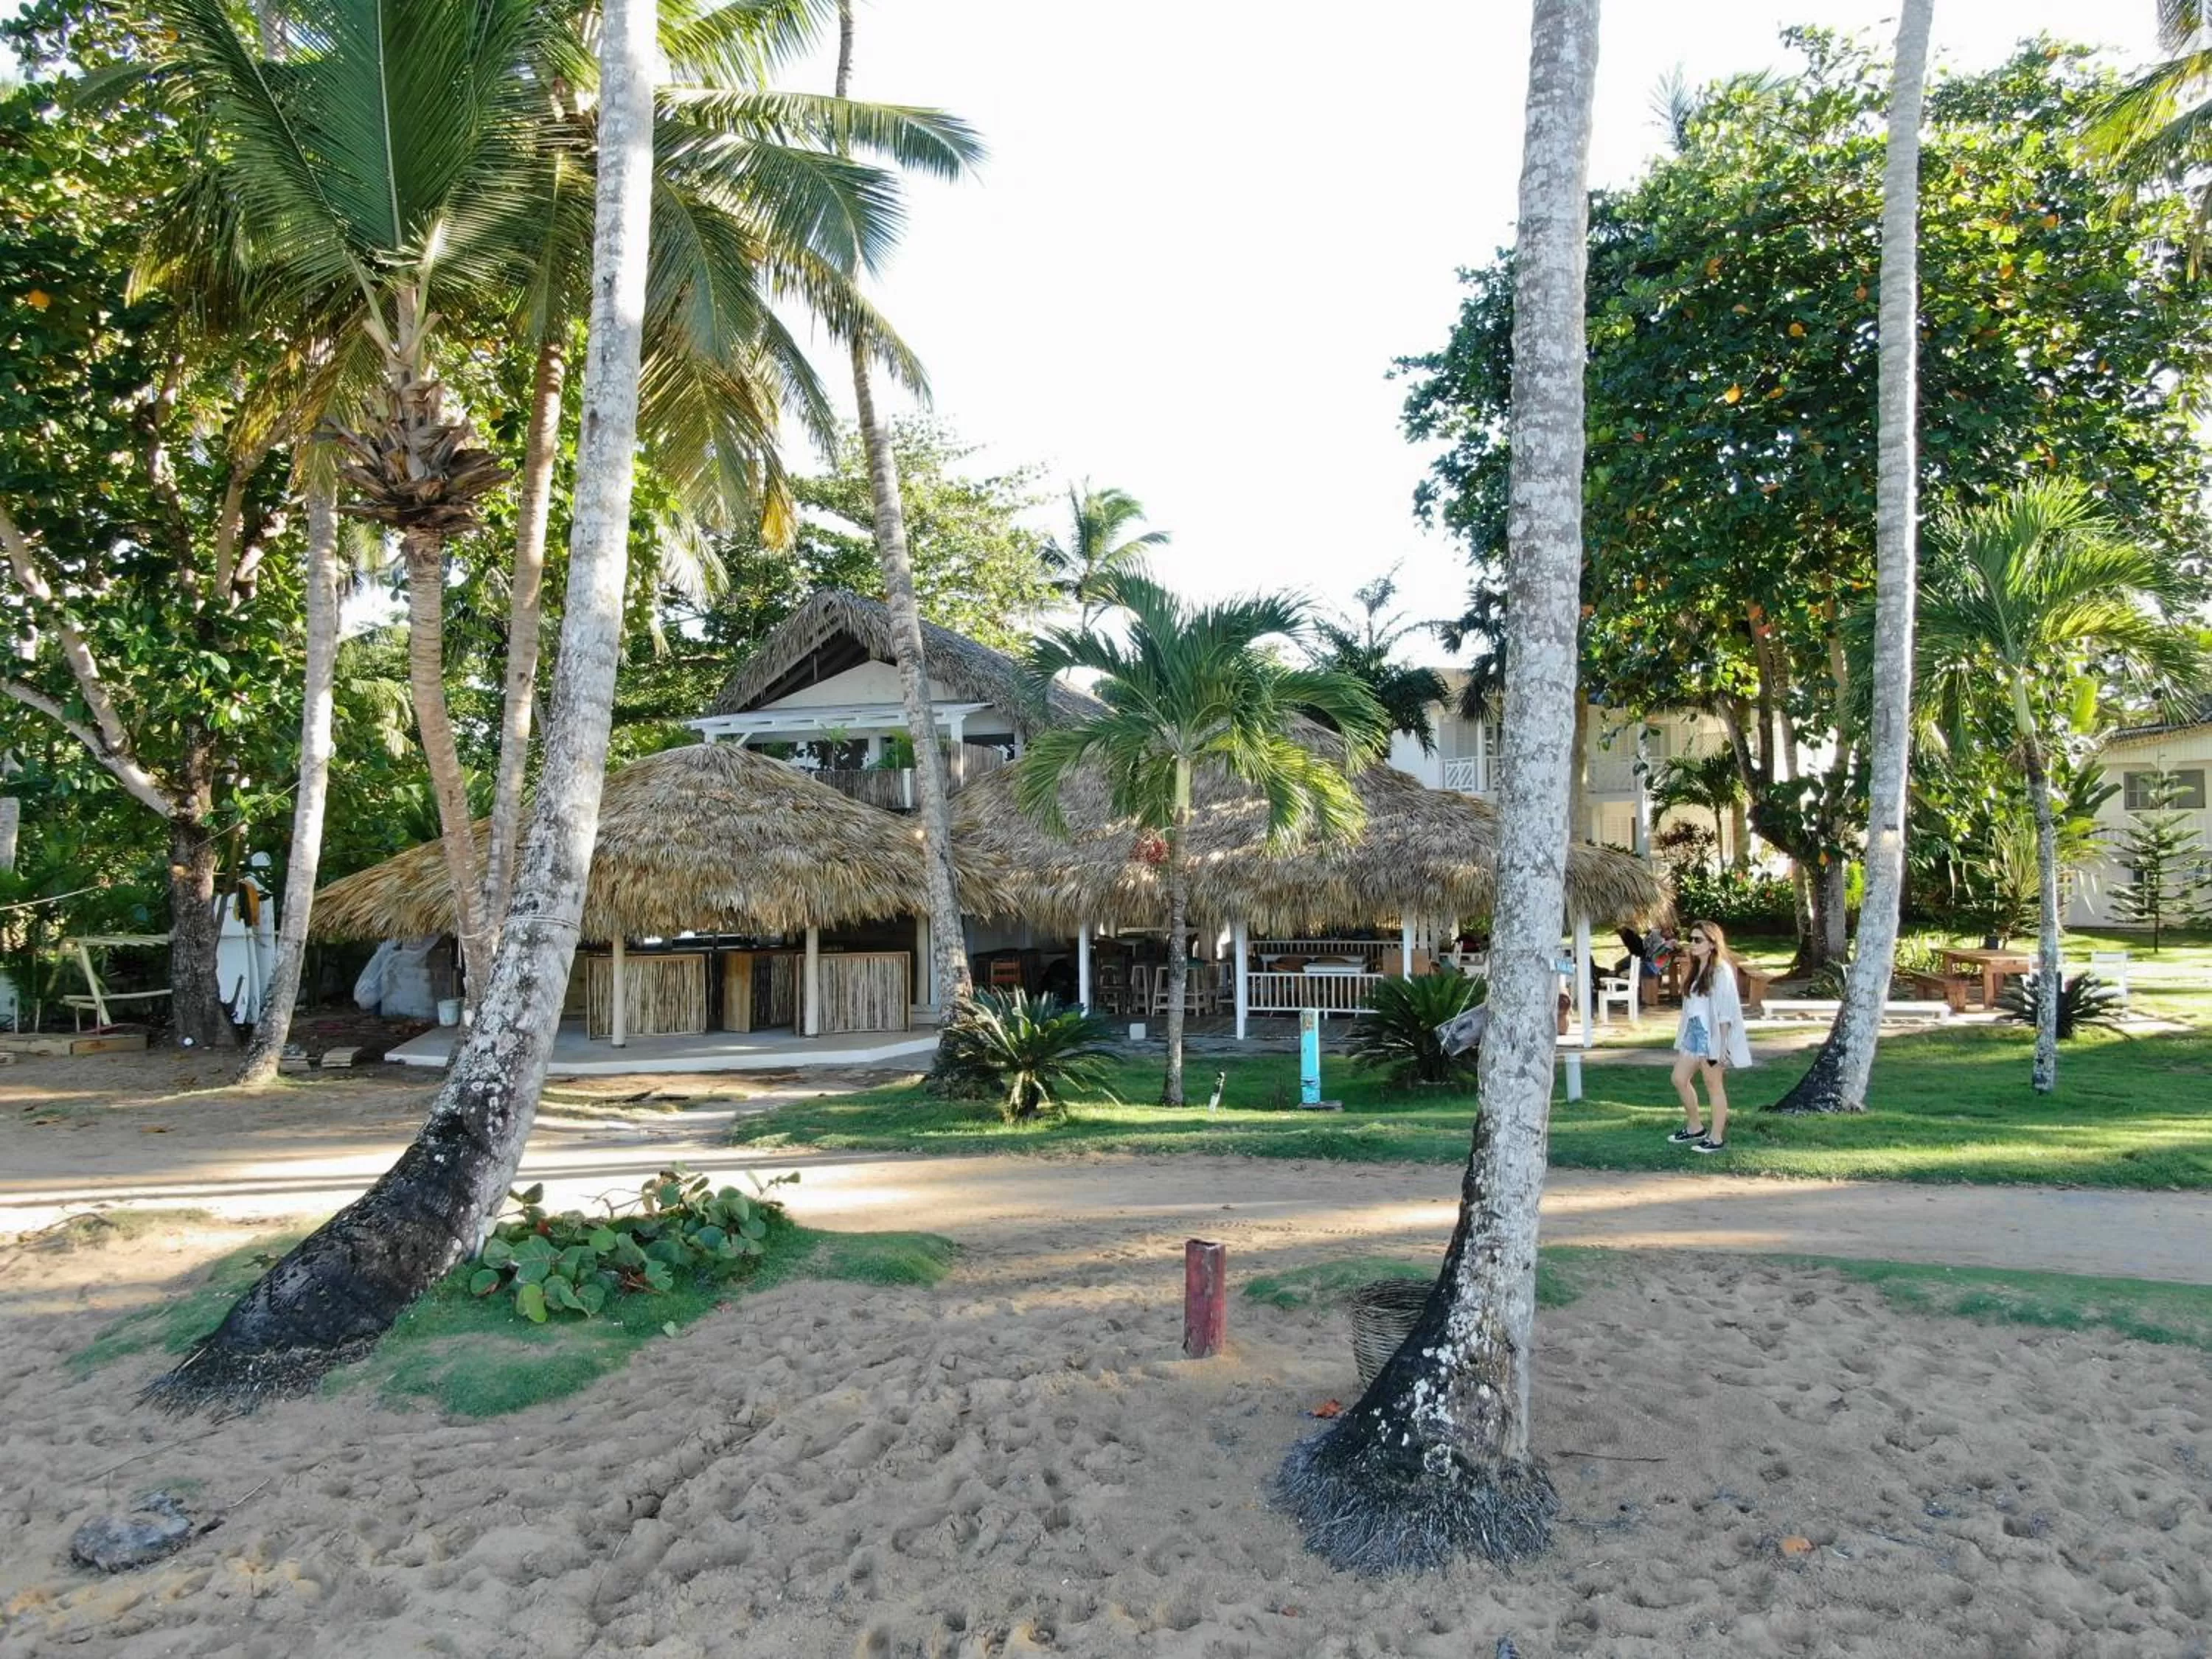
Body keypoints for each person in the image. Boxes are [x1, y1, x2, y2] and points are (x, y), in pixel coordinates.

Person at [1668, 918, 1753, 1153]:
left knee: (1713, 1085)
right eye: (1691, 939)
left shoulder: (1721, 971)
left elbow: (1726, 1012)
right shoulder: (1696, 969)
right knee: (1679, 1079)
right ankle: (1695, 1127)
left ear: (1712, 944)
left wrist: (1723, 1046)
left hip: (1711, 1036)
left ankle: (1716, 1138)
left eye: (1698, 940)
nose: (1692, 944)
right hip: (1694, 1033)